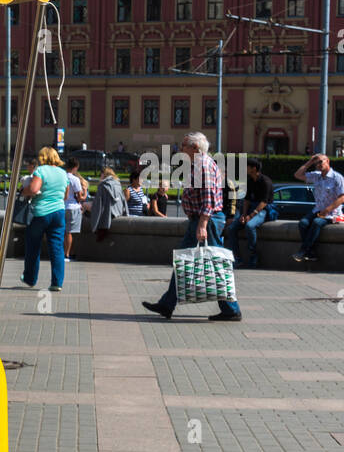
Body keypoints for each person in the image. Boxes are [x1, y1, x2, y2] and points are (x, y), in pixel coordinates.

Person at [142, 130, 241, 322]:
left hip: (206, 220)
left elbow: (209, 198)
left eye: (183, 145)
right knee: (183, 261)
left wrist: (202, 224)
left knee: (215, 262)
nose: (180, 148)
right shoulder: (198, 164)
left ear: (195, 148)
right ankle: (167, 304)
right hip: (201, 220)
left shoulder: (202, 165)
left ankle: (231, 309)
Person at [20, 147, 69, 291]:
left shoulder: (40, 171)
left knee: (33, 246)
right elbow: (65, 196)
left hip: (41, 213)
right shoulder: (63, 173)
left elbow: (34, 189)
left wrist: (24, 191)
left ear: (42, 157)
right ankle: (57, 283)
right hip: (59, 213)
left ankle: (30, 278)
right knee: (57, 248)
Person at [292, 153, 344, 262]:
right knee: (303, 223)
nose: (318, 165)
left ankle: (303, 251)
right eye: (316, 163)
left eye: (320, 162)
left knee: (317, 223)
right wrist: (309, 162)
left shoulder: (337, 178)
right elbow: (297, 175)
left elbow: (342, 198)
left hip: (332, 213)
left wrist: (327, 210)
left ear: (327, 161)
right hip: (317, 209)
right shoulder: (316, 175)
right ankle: (311, 252)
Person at [223, 159, 273, 268]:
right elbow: (246, 200)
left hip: (263, 210)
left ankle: (254, 256)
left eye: (247, 167)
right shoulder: (249, 180)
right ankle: (237, 258)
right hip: (251, 209)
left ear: (254, 168)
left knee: (250, 226)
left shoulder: (266, 181)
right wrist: (244, 215)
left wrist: (251, 216)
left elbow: (264, 202)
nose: (245, 169)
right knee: (232, 229)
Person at [91, 165, 125, 242]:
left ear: (104, 174)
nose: (100, 176)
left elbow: (98, 205)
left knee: (85, 206)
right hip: (118, 212)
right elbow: (123, 200)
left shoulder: (103, 185)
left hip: (107, 214)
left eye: (101, 174)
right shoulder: (118, 184)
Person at [64, 158, 87, 259]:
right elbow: (80, 197)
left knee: (62, 232)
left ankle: (66, 252)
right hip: (73, 208)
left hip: (61, 207)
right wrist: (85, 191)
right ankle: (67, 254)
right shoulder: (75, 179)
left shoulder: (62, 177)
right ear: (75, 167)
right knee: (69, 232)